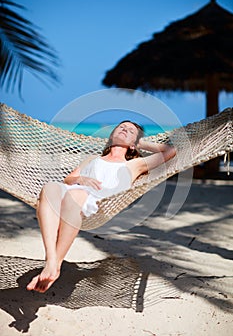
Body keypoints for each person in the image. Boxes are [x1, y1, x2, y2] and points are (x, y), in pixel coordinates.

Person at [26, 120, 176, 293]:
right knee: (49, 187)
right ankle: (51, 261)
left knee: (75, 195)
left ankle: (55, 264)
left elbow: (171, 151)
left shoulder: (134, 165)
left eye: (130, 131)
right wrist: (80, 179)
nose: (125, 129)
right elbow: (68, 180)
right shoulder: (92, 159)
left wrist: (140, 142)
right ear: (112, 135)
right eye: (121, 127)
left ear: (134, 145)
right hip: (73, 190)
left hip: (96, 200)